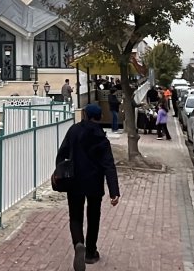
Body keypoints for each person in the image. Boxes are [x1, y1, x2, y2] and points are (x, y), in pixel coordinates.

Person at [57, 104, 120, 268]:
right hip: (94, 183)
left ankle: (79, 243)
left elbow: (62, 152)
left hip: (75, 181)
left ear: (85, 115)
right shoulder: (102, 138)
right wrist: (114, 191)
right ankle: (91, 253)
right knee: (93, 217)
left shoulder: (74, 131)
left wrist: (60, 171)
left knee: (75, 216)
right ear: (99, 117)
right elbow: (109, 165)